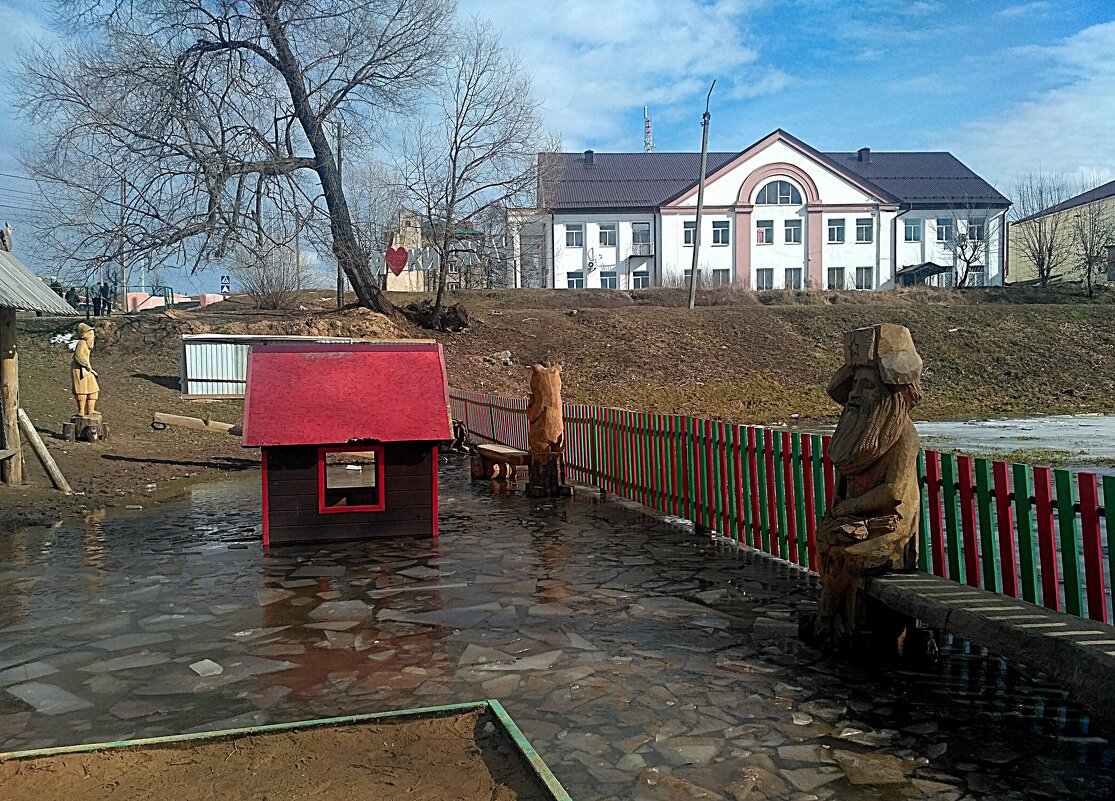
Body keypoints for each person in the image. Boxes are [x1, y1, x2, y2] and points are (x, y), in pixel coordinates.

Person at [71, 323, 100, 417]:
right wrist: (86, 365)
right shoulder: (82, 343)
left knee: (93, 389)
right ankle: (81, 411)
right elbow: (78, 356)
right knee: (81, 390)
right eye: (91, 334)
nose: (93, 336)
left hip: (86, 370)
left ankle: (91, 410)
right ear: (86, 334)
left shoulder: (87, 345)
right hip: (79, 370)